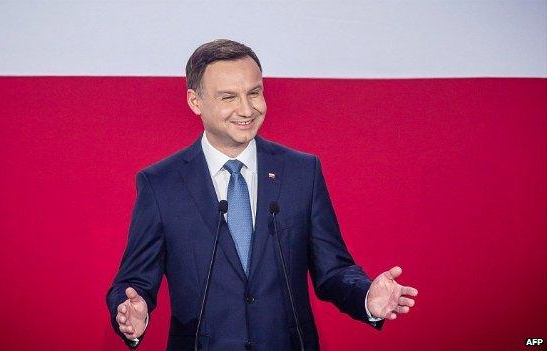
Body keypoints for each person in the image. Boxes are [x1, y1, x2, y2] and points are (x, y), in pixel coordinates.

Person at [106, 39, 418, 350]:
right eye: (229, 96)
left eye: (254, 93)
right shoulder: (161, 183)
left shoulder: (301, 171)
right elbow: (133, 281)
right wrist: (132, 311)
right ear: (195, 101)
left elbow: (333, 269)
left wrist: (365, 295)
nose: (247, 109)